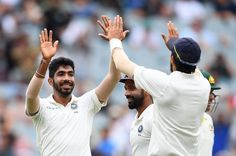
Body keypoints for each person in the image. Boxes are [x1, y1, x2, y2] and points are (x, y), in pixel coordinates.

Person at [100, 15, 211, 155]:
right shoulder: (203, 85)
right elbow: (191, 68)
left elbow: (122, 64)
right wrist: (175, 48)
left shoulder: (166, 85)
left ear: (172, 59)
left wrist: (114, 39)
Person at [25, 28, 121, 156]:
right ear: (50, 81)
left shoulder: (87, 102)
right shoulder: (41, 107)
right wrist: (45, 62)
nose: (67, 78)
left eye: (70, 74)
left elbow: (113, 77)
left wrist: (115, 43)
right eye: (61, 74)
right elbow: (31, 96)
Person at [120, 75, 153, 156]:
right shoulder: (137, 118)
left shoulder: (154, 116)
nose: (126, 93)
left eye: (131, 88)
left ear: (147, 90)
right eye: (126, 88)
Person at [199, 70, 221, 156]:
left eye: (212, 92)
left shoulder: (208, 119)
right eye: (208, 92)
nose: (212, 97)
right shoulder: (182, 115)